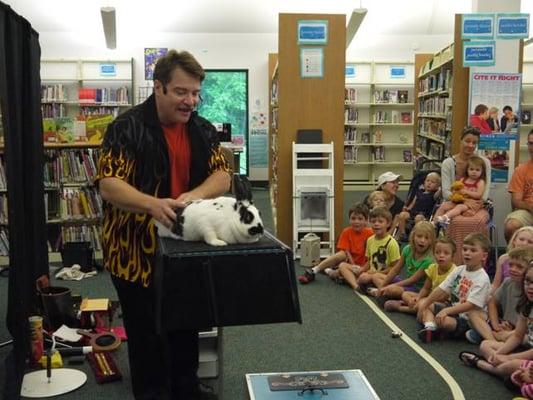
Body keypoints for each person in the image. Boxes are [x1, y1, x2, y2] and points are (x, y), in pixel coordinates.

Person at [95, 50, 231, 400]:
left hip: (185, 248)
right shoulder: (125, 127)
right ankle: (153, 391)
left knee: (186, 322)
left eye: (196, 93)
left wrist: (193, 196)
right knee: (145, 330)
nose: (191, 101)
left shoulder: (201, 128)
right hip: (134, 250)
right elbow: (109, 184)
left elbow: (222, 175)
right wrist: (153, 205)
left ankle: (186, 386)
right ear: (158, 88)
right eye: (182, 92)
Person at [459, 255, 533, 384]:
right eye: (528, 281)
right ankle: (508, 373)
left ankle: (482, 364)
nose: (530, 287)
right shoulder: (526, 304)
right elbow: (517, 337)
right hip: (525, 348)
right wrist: (499, 354)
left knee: (511, 364)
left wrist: (507, 358)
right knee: (485, 345)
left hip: (529, 354)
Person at [416, 233, 491, 343]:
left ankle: (467, 333)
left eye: (473, 250)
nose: (467, 253)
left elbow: (470, 305)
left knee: (445, 321)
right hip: (453, 308)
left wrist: (446, 310)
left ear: (484, 256)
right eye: (465, 249)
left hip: (468, 318)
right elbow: (441, 289)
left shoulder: (482, 278)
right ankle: (430, 328)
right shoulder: (460, 270)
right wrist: (425, 305)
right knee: (424, 304)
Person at [439, 127, 491, 264]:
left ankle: (477, 262)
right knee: (455, 221)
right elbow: (446, 191)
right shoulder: (449, 163)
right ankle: (454, 261)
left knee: (478, 222)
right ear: (460, 140)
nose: (470, 145)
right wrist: (463, 201)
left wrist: (471, 200)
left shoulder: (484, 163)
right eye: (467, 141)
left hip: (477, 204)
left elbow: (485, 193)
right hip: (455, 202)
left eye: (474, 143)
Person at [465, 247, 533, 345]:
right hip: (504, 324)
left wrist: (509, 332)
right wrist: (496, 324)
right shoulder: (508, 282)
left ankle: (487, 336)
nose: (513, 269)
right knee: (473, 312)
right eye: (510, 265)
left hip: (523, 330)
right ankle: (493, 340)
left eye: (519, 267)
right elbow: (492, 301)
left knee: (525, 338)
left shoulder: (529, 290)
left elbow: (529, 325)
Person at [298, 203, 373, 284]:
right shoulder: (346, 232)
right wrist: (353, 265)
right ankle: (315, 270)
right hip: (349, 264)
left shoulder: (371, 233)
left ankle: (328, 270)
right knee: (342, 254)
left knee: (340, 274)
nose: (356, 222)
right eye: (353, 218)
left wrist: (362, 268)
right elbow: (346, 252)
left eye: (360, 219)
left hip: (365, 266)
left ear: (366, 220)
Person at [375, 221, 435, 311]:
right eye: (419, 236)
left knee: (393, 290)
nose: (422, 240)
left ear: (431, 241)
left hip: (417, 289)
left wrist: (391, 286)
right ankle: (383, 292)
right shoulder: (407, 249)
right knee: (376, 276)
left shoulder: (429, 260)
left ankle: (397, 299)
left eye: (427, 238)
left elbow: (412, 280)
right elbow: (395, 270)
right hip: (406, 283)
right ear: (413, 236)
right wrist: (383, 286)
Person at [405, 237, 457, 316]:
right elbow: (426, 288)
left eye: (446, 253)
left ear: (453, 256)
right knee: (405, 294)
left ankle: (405, 308)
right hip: (430, 298)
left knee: (424, 304)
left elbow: (444, 297)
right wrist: (418, 297)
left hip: (444, 303)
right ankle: (416, 307)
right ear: (433, 254)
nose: (441, 256)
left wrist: (425, 301)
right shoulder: (432, 267)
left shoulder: (455, 272)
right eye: (437, 252)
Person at [354, 207, 401, 293]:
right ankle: (372, 288)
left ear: (388, 223)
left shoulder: (392, 243)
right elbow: (369, 261)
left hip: (386, 276)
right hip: (372, 273)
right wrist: (362, 269)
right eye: (373, 221)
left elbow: (395, 268)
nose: (376, 224)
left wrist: (376, 273)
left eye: (380, 221)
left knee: (372, 277)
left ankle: (382, 291)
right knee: (361, 276)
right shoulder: (370, 240)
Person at [434, 155, 486, 225]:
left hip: (472, 203)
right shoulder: (463, 180)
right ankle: (434, 222)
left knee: (460, 207)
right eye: (471, 169)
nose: (474, 172)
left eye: (477, 170)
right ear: (467, 170)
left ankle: (445, 217)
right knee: (444, 205)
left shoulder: (480, 182)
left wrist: (466, 192)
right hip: (461, 200)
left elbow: (479, 195)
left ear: (482, 171)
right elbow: (456, 189)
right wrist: (455, 192)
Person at [392, 172, 441, 241]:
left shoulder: (434, 195)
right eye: (427, 181)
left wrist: (440, 189)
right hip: (413, 212)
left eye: (432, 182)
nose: (429, 183)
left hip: (424, 214)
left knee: (418, 218)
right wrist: (407, 208)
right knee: (402, 215)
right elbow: (413, 203)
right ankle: (403, 234)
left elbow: (439, 193)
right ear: (424, 182)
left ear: (437, 186)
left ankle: (415, 234)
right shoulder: (419, 192)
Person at [504, 130, 533, 242]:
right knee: (511, 225)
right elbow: (516, 201)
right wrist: (530, 207)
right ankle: (513, 258)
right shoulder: (521, 170)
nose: (532, 147)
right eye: (530, 143)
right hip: (528, 211)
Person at [492, 227, 533, 291]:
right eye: (521, 239)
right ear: (514, 240)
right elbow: (495, 285)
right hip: (503, 295)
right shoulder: (503, 259)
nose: (524, 243)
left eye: (530, 242)